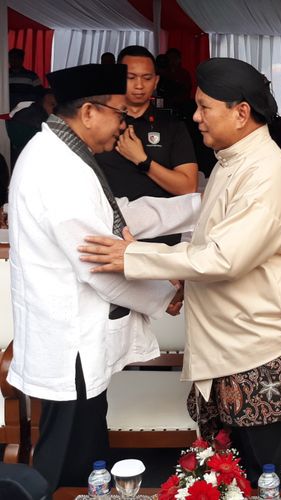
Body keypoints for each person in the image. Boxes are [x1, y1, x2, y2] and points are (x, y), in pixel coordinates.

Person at [78, 57, 281, 484]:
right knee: (231, 473)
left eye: (205, 107)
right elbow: (214, 242)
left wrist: (132, 258)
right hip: (236, 341)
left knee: (269, 477)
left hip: (263, 349)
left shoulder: (266, 173)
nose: (196, 117)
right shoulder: (234, 160)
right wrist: (178, 278)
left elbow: (225, 258)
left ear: (241, 112)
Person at [7, 63, 199, 493]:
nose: (124, 124)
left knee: (90, 460)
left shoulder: (66, 152)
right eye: (118, 113)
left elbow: (120, 216)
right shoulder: (58, 169)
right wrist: (163, 295)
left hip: (75, 339)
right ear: (90, 112)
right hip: (69, 342)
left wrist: (198, 205)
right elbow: (99, 263)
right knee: (66, 470)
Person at [96, 45, 198, 245]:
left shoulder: (172, 126)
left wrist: (143, 161)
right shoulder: (99, 123)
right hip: (108, 236)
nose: (139, 85)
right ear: (116, 78)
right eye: (131, 77)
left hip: (161, 240)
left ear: (156, 81)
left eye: (147, 78)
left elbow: (188, 187)